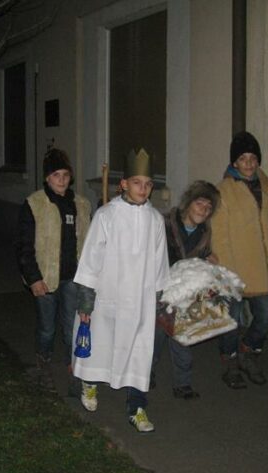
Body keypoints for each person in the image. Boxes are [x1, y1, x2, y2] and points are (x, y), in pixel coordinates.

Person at [72, 148, 169, 433]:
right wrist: (86, 300)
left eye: (148, 184)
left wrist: (159, 298)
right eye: (137, 182)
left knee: (139, 352)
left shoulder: (155, 220)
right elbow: (91, 260)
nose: (143, 189)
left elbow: (160, 261)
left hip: (140, 302)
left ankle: (136, 407)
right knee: (101, 344)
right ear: (124, 183)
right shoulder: (106, 215)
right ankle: (89, 383)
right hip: (107, 297)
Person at [211, 131, 268, 389]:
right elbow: (219, 235)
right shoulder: (224, 190)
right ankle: (230, 362)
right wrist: (227, 273)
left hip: (260, 267)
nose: (248, 163)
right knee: (232, 320)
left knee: (266, 314)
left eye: (253, 158)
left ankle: (248, 352)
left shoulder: (266, 188)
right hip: (233, 267)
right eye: (243, 158)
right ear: (234, 162)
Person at [16, 148, 91, 388]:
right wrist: (33, 278)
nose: (61, 180)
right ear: (47, 178)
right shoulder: (35, 204)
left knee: (71, 326)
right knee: (47, 328)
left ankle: (73, 367)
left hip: (73, 278)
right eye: (56, 175)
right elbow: (24, 245)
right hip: (45, 278)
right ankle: (43, 362)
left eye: (65, 175)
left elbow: (88, 243)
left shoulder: (81, 204)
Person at [151, 180, 221, 399]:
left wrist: (208, 262)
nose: (204, 210)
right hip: (160, 290)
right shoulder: (164, 224)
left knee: (182, 337)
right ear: (188, 203)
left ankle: (182, 384)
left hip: (184, 294)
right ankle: (145, 373)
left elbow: (201, 258)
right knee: (155, 337)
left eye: (208, 207)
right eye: (200, 203)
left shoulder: (204, 232)